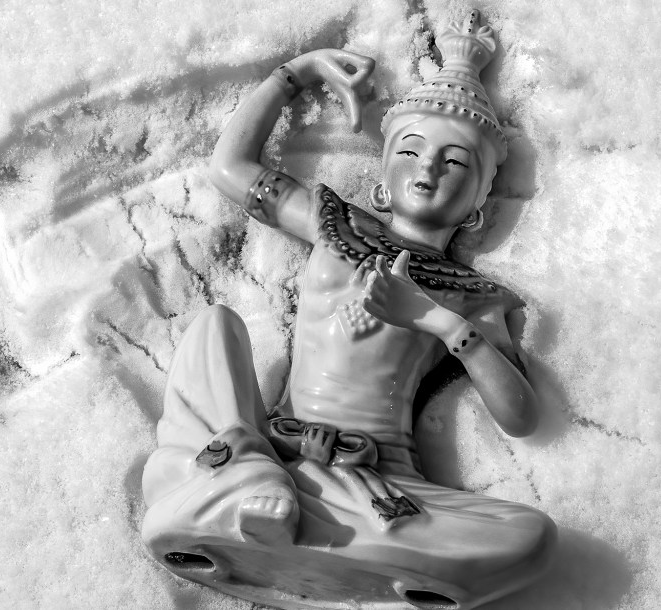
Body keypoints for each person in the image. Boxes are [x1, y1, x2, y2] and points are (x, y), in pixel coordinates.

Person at [141, 11, 555, 609]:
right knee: (214, 328)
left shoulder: (473, 296)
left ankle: (275, 524)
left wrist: (437, 319)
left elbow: (521, 417)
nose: (429, 168)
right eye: (411, 150)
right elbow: (230, 169)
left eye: (456, 162)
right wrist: (296, 74)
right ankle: (252, 484)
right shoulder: (336, 224)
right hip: (277, 452)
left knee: (531, 537)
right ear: (383, 180)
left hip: (377, 478)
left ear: (476, 207)